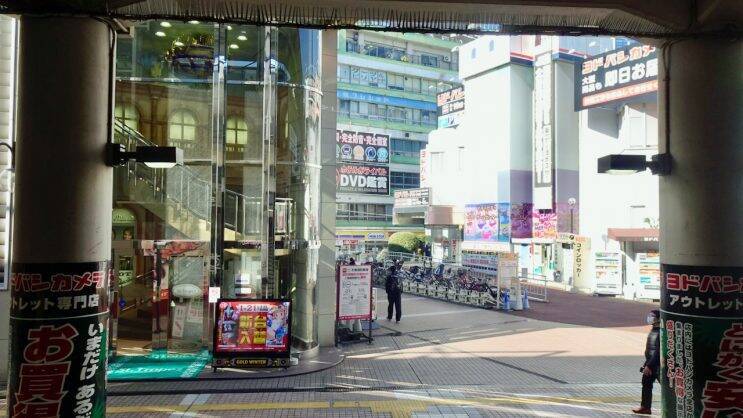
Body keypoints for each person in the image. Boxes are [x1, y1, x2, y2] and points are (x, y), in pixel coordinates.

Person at [633, 309, 660, 415]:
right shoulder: (654, 329)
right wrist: (646, 364)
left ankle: (673, 408)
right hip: (650, 363)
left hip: (658, 365)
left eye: (652, 316)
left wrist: (649, 365)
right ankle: (645, 407)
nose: (650, 317)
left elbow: (658, 352)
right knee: (646, 383)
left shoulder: (661, 331)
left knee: (667, 387)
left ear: (659, 318)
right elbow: (649, 349)